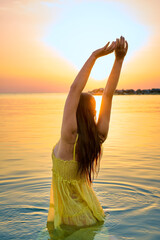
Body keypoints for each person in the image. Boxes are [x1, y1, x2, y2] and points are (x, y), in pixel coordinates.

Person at [47, 36, 128, 231]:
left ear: (74, 111)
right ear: (93, 112)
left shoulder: (69, 135)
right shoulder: (99, 136)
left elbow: (75, 89)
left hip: (68, 218)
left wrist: (94, 56)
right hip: (90, 213)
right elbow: (108, 94)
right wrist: (119, 60)